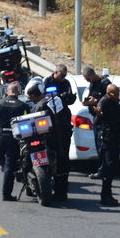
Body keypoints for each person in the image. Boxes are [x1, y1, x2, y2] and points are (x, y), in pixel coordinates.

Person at [25, 78, 71, 203]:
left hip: (51, 138)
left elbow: (37, 125)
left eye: (31, 97)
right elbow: (67, 113)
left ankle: (58, 192)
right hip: (64, 135)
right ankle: (62, 192)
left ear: (35, 95)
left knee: (58, 164)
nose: (30, 100)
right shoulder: (56, 97)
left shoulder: (40, 106)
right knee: (63, 163)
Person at [42, 64, 77, 199]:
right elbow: (45, 98)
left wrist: (65, 97)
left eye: (65, 76)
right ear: (55, 72)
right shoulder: (48, 81)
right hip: (49, 121)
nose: (63, 78)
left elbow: (68, 98)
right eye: (61, 76)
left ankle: (61, 190)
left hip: (63, 123)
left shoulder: (66, 83)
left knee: (63, 159)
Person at [0, 82, 30, 201]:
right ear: (18, 92)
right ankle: (7, 192)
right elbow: (27, 123)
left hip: (1, 137)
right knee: (9, 166)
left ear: (7, 92)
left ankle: (10, 171)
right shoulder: (23, 106)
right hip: (15, 138)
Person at [91, 83, 120, 206]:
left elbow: (119, 111)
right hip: (108, 140)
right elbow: (98, 113)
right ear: (110, 93)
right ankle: (105, 197)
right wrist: (98, 112)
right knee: (108, 169)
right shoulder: (104, 102)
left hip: (115, 139)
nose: (118, 96)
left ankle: (108, 195)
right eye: (115, 94)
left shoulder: (114, 101)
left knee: (111, 168)